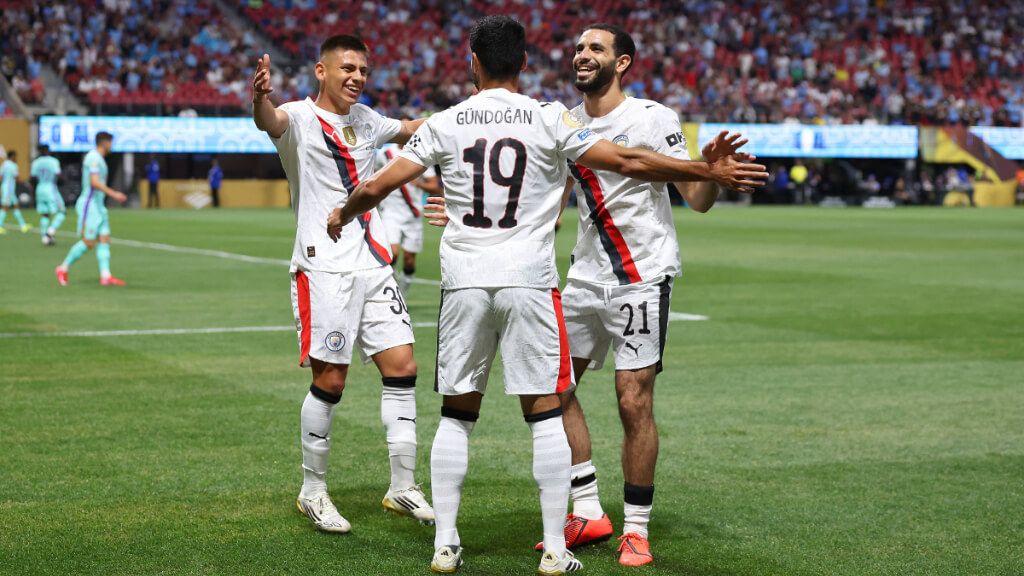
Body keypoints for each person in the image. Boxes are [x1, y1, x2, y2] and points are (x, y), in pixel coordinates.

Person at [327, 15, 766, 574]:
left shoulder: (453, 119)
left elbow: (381, 184)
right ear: (526, 63)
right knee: (547, 405)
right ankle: (567, 533)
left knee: (473, 412)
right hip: (548, 279)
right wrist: (704, 166)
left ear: (472, 63)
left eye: (595, 47)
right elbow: (610, 169)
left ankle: (467, 542)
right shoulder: (552, 118)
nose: (583, 54)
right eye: (577, 47)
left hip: (531, 278)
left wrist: (347, 210)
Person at [251, 34, 434, 535]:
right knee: (331, 380)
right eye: (347, 68)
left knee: (403, 367)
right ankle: (313, 492)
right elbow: (271, 122)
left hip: (374, 265)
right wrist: (260, 97)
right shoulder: (298, 118)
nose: (356, 77)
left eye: (362, 70)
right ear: (321, 71)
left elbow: (413, 126)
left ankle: (401, 486)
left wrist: (464, 116)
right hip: (323, 268)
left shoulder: (368, 119)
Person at [55, 132, 128, 286]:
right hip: (90, 204)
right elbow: (94, 182)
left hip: (99, 205)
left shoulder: (99, 159)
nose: (112, 146)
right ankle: (63, 267)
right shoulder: (93, 157)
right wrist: (114, 193)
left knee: (104, 239)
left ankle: (105, 276)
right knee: (89, 242)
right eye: (110, 142)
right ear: (105, 142)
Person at [374, 137, 441, 294]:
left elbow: (434, 186)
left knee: (409, 261)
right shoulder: (386, 154)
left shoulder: (421, 155)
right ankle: (386, 291)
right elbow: (373, 176)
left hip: (413, 214)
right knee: (392, 253)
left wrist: (418, 184)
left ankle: (402, 295)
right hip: (390, 212)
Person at [31, 145, 65, 246]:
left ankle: (44, 237)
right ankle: (50, 232)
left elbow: (32, 178)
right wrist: (63, 181)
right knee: (62, 212)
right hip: (50, 188)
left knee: (45, 214)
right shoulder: (53, 161)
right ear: (47, 150)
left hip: (40, 188)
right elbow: (59, 175)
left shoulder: (36, 162)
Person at [0, 150, 30, 234]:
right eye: (15, 156)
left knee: (16, 206)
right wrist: (25, 183)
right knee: (5, 207)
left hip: (6, 187)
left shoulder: (4, 164)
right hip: (9, 189)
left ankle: (23, 225)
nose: (16, 158)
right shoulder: (13, 165)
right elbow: (16, 178)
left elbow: (1, 177)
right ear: (12, 156)